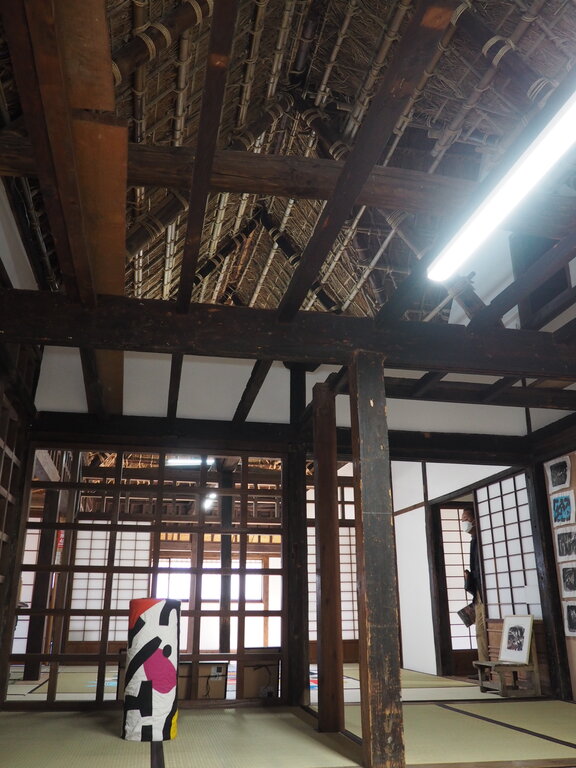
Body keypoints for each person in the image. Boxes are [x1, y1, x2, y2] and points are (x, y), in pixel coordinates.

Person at [461, 506, 489, 662]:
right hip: (479, 592)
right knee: (480, 631)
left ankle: (488, 667)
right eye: (462, 520)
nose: (463, 523)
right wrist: (469, 578)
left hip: (487, 591)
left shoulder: (483, 539)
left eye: (466, 519)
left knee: (485, 629)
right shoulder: (474, 540)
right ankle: (484, 666)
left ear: (475, 520)